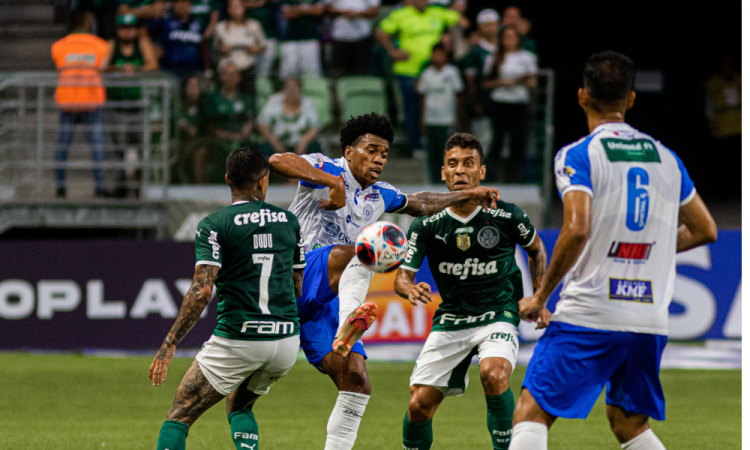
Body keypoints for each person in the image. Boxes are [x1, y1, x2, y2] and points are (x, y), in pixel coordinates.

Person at [508, 51, 718, 450]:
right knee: (628, 423)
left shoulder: (578, 155)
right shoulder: (668, 159)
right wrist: (654, 250)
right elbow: (705, 228)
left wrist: (541, 296)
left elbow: (577, 226)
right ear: (631, 99)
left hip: (592, 311)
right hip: (649, 318)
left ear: (582, 96)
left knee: (531, 412)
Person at [268, 112, 500, 450]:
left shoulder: (380, 194)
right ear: (349, 151)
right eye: (372, 150)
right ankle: (351, 317)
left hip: (323, 303)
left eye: (385, 154)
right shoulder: (326, 167)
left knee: (356, 381)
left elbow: (420, 203)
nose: (379, 159)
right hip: (297, 277)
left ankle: (347, 327)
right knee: (362, 249)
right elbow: (278, 160)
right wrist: (330, 183)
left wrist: (465, 196)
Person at [394, 132, 549, 450]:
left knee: (493, 375)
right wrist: (408, 289)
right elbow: (401, 278)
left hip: (498, 313)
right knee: (418, 405)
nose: (460, 170)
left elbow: (537, 250)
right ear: (443, 173)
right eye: (452, 164)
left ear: (482, 172)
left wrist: (540, 297)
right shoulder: (427, 224)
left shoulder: (506, 215)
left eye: (468, 163)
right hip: (452, 319)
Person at [149, 147, 306, 450]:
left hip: (239, 338)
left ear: (227, 180)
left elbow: (201, 291)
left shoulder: (215, 224)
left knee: (180, 414)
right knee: (240, 405)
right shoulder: (289, 221)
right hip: (286, 341)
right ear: (264, 181)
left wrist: (169, 343)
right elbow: (296, 285)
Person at [375, 0, 465, 157]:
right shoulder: (401, 15)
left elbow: (462, 22)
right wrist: (392, 51)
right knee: (413, 110)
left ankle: (435, 144)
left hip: (433, 70)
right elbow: (380, 32)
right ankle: (415, 146)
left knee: (436, 108)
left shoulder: (437, 12)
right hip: (409, 70)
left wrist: (449, 36)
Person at [51, 9, 109, 199]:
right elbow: (104, 67)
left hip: (67, 102)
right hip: (91, 102)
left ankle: (60, 188)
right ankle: (99, 187)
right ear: (86, 22)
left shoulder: (59, 46)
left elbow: (58, 65)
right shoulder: (100, 45)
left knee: (63, 146)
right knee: (97, 146)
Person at [105, 13, 159, 198]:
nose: (127, 33)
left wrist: (135, 70)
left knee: (142, 148)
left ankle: (139, 186)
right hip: (118, 106)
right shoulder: (112, 46)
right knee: (118, 148)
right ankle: (120, 186)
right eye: (123, 29)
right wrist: (119, 69)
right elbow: (102, 68)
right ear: (119, 30)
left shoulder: (141, 45)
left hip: (138, 105)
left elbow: (152, 65)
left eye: (130, 29)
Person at [482, 25, 537, 183]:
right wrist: (502, 82)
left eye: (513, 37)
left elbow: (533, 81)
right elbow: (486, 83)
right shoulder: (493, 58)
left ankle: (515, 177)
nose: (509, 40)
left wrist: (521, 80)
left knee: (517, 140)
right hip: (499, 102)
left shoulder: (527, 57)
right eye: (506, 37)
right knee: (497, 139)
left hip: (519, 102)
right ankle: (491, 176)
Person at [195, 62, 255, 183]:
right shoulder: (212, 99)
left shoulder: (246, 99)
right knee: (202, 151)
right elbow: (209, 125)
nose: (230, 77)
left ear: (239, 78)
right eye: (226, 74)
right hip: (217, 140)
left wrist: (243, 133)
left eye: (233, 74)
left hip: (243, 140)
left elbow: (250, 120)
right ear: (220, 77)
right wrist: (228, 136)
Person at [418, 43, 463, 183]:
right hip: (431, 119)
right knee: (433, 153)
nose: (437, 57)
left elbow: (458, 96)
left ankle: (449, 180)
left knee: (448, 153)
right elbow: (423, 98)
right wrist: (422, 120)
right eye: (434, 53)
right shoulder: (426, 74)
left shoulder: (452, 72)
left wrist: (458, 119)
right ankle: (434, 180)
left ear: (446, 56)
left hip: (447, 119)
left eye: (440, 53)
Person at [705, 51, 741, 198]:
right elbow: (708, 106)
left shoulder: (740, 79)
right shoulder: (713, 82)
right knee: (724, 164)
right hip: (723, 128)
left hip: (739, 126)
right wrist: (711, 124)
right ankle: (725, 193)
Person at [461, 8, 498, 152]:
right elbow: (470, 80)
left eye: (493, 24)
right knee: (482, 140)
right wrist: (475, 102)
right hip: (484, 101)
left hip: (502, 102)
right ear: (480, 27)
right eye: (487, 25)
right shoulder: (475, 50)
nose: (491, 28)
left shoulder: (504, 48)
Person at [257, 77, 321, 155]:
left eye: (294, 88)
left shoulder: (308, 103)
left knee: (314, 146)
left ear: (300, 90)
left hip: (300, 143)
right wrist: (274, 141)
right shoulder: (274, 101)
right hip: (278, 141)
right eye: (288, 87)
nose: (291, 91)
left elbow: (315, 127)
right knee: (265, 147)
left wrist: (304, 142)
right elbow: (262, 124)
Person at [215, 0, 267, 96]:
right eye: (232, 6)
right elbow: (215, 49)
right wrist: (222, 50)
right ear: (228, 9)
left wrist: (255, 50)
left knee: (248, 100)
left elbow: (263, 47)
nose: (236, 9)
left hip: (247, 69)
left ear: (244, 7)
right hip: (226, 71)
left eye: (238, 6)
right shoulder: (220, 27)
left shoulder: (254, 25)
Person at [150, 0, 210, 78]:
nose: (182, 6)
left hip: (193, 70)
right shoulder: (165, 22)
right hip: (170, 70)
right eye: (179, 3)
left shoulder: (198, 24)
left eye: (185, 3)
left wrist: (207, 69)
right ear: (174, 5)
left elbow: (203, 48)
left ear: (190, 5)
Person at [326, 0, 380, 76]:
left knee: (361, 71)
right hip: (340, 36)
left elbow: (375, 11)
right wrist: (345, 13)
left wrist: (358, 14)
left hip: (362, 36)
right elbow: (327, 10)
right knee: (338, 71)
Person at [279, 0, 324, 78]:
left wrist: (296, 10)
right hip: (291, 38)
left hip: (310, 38)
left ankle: (310, 89)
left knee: (310, 71)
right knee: (290, 70)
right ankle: (291, 90)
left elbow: (318, 11)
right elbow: (287, 14)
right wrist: (308, 9)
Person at [245, 0, 280, 78]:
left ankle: (264, 88)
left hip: (269, 38)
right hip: (250, 39)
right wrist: (259, 3)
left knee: (265, 72)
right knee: (250, 69)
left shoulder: (270, 5)